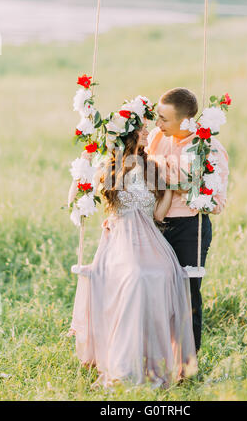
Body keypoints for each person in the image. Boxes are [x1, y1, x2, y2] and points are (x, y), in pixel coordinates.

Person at [67, 107, 198, 390]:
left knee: (164, 274)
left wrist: (174, 190)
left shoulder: (152, 167)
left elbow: (159, 215)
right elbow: (86, 196)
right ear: (129, 133)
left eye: (149, 128)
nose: (148, 132)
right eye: (142, 128)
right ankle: (125, 365)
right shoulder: (112, 165)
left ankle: (154, 361)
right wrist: (87, 160)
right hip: (120, 238)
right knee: (136, 277)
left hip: (150, 238)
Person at [146, 87, 229, 352]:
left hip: (189, 227)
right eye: (157, 117)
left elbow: (215, 200)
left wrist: (170, 179)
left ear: (185, 121)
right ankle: (157, 357)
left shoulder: (209, 149)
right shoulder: (157, 138)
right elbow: (145, 174)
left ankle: (187, 362)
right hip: (154, 225)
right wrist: (179, 181)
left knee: (187, 296)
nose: (157, 124)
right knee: (153, 294)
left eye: (164, 119)